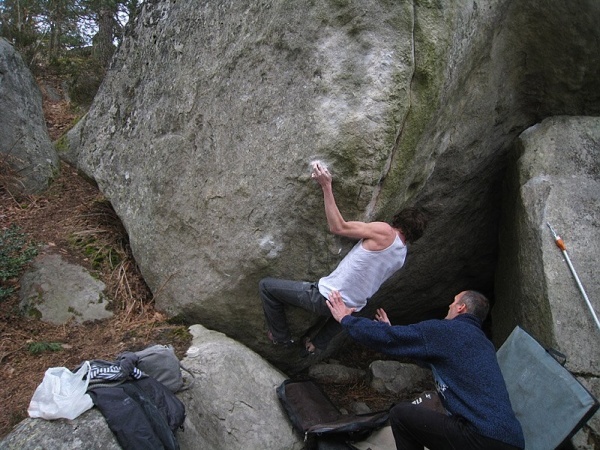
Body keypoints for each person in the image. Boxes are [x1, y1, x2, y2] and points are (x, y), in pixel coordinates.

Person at [260, 161, 428, 353]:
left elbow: (338, 227)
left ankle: (280, 337)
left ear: (398, 220)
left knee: (266, 286)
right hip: (351, 309)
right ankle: (314, 344)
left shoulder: (386, 232)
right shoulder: (401, 257)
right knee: (344, 316)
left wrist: (326, 186)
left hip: (326, 297)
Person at [326, 289, 525, 450]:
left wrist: (346, 319)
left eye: (453, 301)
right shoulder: (482, 344)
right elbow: (424, 354)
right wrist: (390, 331)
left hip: (479, 436)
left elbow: (392, 340)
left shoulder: (447, 331)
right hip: (512, 441)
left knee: (401, 415)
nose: (449, 305)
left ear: (461, 307)